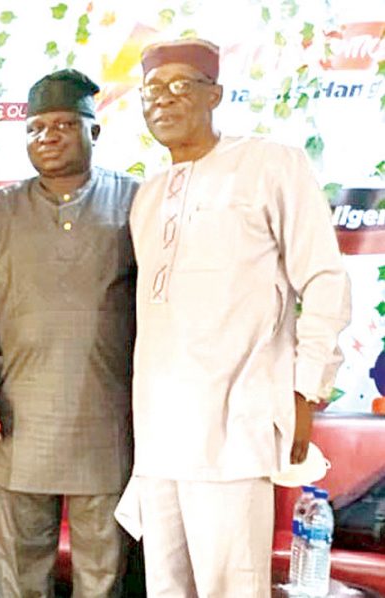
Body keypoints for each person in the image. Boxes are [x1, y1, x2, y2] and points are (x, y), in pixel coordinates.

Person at [116, 38, 351, 596]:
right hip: (159, 437)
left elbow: (324, 279)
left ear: (215, 94)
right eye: (151, 90)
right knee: (165, 587)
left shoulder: (270, 164)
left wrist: (305, 390)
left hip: (234, 428)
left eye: (180, 85)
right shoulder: (148, 196)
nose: (162, 100)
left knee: (232, 587)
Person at [0, 69, 139, 598]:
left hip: (106, 419)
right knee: (19, 569)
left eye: (63, 125)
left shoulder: (134, 202)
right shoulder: (0, 211)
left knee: (102, 573)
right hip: (17, 419)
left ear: (94, 132)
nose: (48, 137)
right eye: (36, 128)